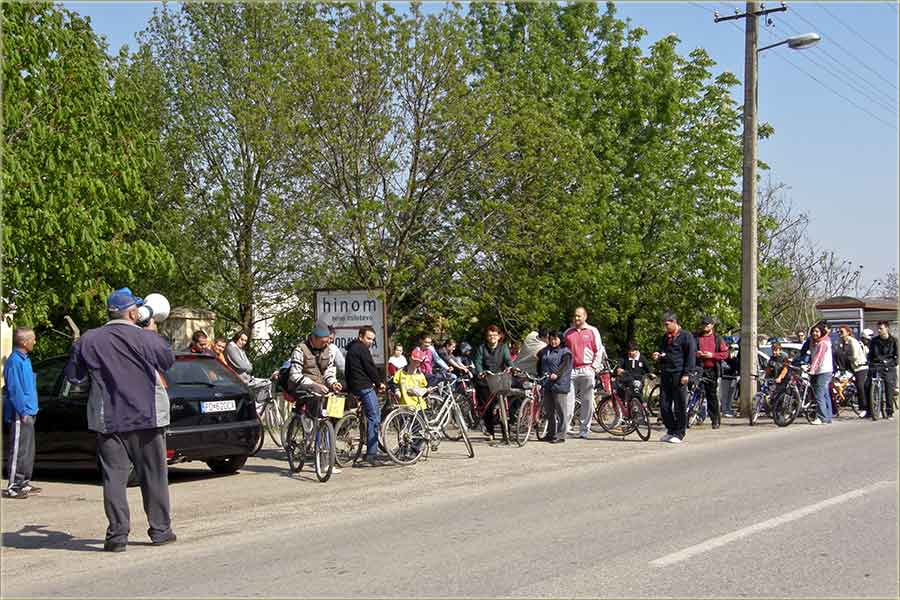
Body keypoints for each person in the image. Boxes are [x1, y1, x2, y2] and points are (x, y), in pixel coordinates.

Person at [64, 288, 176, 552]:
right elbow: (167, 361)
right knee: (154, 476)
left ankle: (117, 536)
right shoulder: (145, 337)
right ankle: (160, 531)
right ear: (134, 313)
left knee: (114, 478)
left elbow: (74, 377)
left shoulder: (89, 339)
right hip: (147, 418)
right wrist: (151, 331)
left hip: (108, 420)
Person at [288, 319, 344, 472]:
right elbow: (294, 375)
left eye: (328, 341)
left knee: (327, 416)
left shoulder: (329, 350)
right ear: (314, 338)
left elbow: (329, 371)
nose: (327, 344)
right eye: (324, 341)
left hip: (320, 387)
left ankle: (325, 460)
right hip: (302, 387)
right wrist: (314, 385)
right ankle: (307, 424)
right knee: (315, 406)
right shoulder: (300, 350)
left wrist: (333, 383)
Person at [3, 327, 39, 499]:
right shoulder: (14, 361)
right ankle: (13, 485)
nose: (34, 342)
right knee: (18, 450)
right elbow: (14, 388)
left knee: (28, 449)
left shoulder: (26, 360)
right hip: (20, 412)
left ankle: (24, 481)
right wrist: (22, 410)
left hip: (30, 410)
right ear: (24, 342)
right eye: (32, 339)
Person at [344, 326, 386, 466]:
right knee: (374, 417)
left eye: (372, 340)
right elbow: (370, 368)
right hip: (364, 387)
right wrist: (379, 383)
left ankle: (364, 437)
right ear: (360, 336)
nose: (370, 342)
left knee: (367, 416)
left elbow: (349, 370)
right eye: (368, 338)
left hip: (354, 386)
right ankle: (371, 455)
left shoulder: (351, 348)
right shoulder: (362, 349)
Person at [652, 311, 696, 444]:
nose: (665, 327)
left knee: (679, 405)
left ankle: (679, 432)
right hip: (666, 373)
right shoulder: (665, 337)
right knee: (664, 405)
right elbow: (663, 352)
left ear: (674, 322)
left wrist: (687, 373)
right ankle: (671, 430)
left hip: (679, 374)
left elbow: (690, 356)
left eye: (667, 324)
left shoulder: (686, 336)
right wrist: (658, 356)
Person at [564, 307, 605, 439]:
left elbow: (598, 350)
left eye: (579, 316)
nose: (576, 318)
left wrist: (594, 367)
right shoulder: (568, 332)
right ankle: (565, 427)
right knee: (568, 400)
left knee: (587, 401)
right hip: (571, 369)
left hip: (587, 368)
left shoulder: (592, 331)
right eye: (575, 316)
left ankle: (584, 429)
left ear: (585, 316)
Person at [472, 325, 513, 440]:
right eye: (490, 335)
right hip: (485, 380)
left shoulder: (503, 347)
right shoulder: (482, 348)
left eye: (495, 335)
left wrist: (513, 368)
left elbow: (508, 360)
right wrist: (480, 372)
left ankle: (506, 433)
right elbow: (478, 362)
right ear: (486, 337)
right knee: (488, 407)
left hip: (499, 379)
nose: (492, 337)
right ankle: (490, 432)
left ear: (499, 336)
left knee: (503, 406)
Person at [694, 316, 730, 428]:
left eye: (707, 324)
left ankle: (715, 419)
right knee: (694, 392)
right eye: (703, 324)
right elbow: (689, 350)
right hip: (698, 369)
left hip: (711, 370)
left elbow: (725, 354)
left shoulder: (717, 339)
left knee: (711, 396)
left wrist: (712, 355)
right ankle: (692, 415)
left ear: (712, 325)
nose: (705, 326)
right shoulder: (696, 337)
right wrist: (696, 354)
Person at [537, 330, 572, 444]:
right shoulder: (545, 351)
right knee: (549, 410)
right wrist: (539, 375)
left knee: (561, 410)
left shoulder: (565, 352)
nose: (553, 341)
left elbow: (564, 366)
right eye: (551, 339)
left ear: (560, 339)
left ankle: (561, 435)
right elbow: (539, 362)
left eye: (556, 339)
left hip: (559, 384)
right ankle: (551, 433)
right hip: (547, 383)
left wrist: (556, 374)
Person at [224, 331, 272, 412]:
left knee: (267, 383)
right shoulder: (231, 348)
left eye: (245, 341)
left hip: (246, 380)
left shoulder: (240, 349)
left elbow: (248, 365)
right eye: (241, 339)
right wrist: (248, 367)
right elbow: (242, 366)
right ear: (237, 338)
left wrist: (248, 366)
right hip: (238, 381)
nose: (243, 342)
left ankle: (258, 410)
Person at [835, 325, 869, 418]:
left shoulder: (852, 341)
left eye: (842, 332)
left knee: (860, 386)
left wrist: (845, 357)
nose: (840, 333)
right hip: (850, 367)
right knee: (838, 382)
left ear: (848, 333)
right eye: (838, 332)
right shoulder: (840, 342)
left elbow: (855, 356)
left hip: (860, 367)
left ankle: (864, 408)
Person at [867, 321, 897, 420]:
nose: (879, 330)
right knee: (867, 384)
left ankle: (889, 411)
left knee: (889, 387)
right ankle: (871, 410)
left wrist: (891, 363)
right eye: (878, 328)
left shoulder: (894, 340)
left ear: (887, 329)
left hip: (889, 366)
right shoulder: (874, 341)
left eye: (881, 328)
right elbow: (870, 354)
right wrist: (868, 362)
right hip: (876, 365)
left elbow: (897, 356)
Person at [808, 323, 833, 425]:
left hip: (823, 371)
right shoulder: (816, 342)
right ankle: (828, 417)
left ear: (822, 332)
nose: (815, 333)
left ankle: (821, 417)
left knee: (819, 395)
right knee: (825, 394)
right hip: (823, 370)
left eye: (817, 331)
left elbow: (818, 357)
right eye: (813, 331)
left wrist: (812, 369)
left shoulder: (823, 343)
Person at [615, 340, 653, 408]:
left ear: (637, 351)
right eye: (629, 351)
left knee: (636, 388)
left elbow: (649, 369)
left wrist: (651, 374)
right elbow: (619, 365)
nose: (630, 353)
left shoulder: (642, 358)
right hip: (627, 380)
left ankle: (642, 405)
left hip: (638, 380)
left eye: (632, 351)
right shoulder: (624, 357)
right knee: (619, 386)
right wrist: (619, 369)